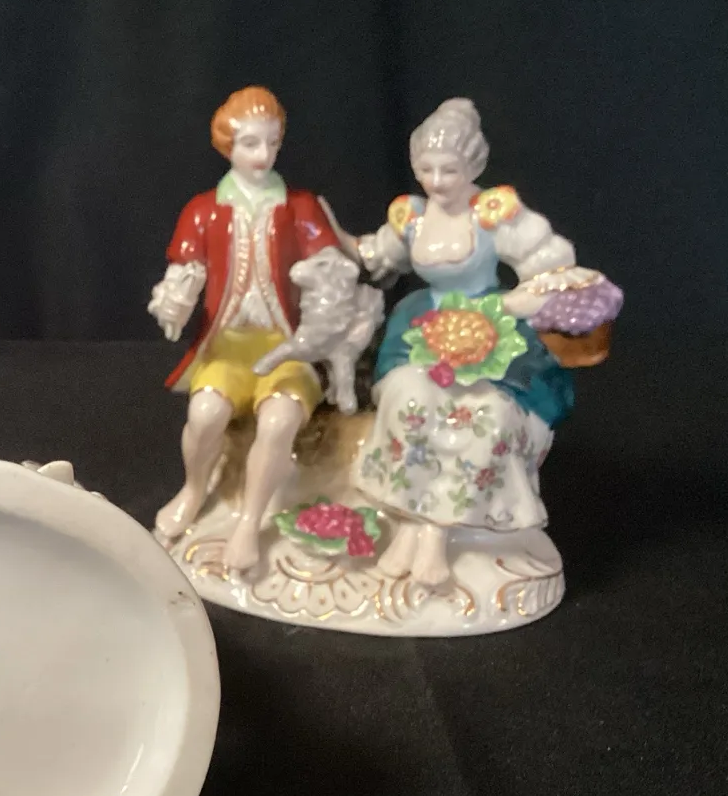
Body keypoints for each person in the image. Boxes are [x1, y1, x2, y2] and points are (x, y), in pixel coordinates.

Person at [334, 97, 609, 587]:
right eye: (426, 169)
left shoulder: (493, 214)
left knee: (485, 414)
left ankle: (436, 535)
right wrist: (324, 231)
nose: (437, 181)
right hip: (423, 328)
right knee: (407, 400)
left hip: (491, 327)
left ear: (473, 166)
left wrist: (528, 297)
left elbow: (550, 261)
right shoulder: (413, 217)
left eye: (449, 170)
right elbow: (376, 255)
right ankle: (410, 526)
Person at [148, 87, 343, 573]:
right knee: (205, 414)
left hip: (286, 349)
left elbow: (328, 262)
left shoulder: (299, 206)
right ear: (227, 145)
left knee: (278, 422)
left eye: (272, 143)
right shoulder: (204, 209)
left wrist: (328, 285)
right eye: (250, 143)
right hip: (228, 349)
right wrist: (175, 298)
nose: (263, 154)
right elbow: (184, 271)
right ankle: (194, 489)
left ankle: (249, 522)